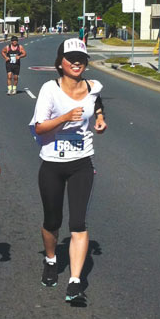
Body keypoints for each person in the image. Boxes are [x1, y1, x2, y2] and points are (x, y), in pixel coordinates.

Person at [29, 38, 106, 303]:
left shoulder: (92, 87)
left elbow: (96, 103)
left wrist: (99, 118)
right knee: (53, 221)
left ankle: (75, 282)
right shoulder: (49, 90)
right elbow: (39, 127)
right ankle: (51, 259)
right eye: (71, 58)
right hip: (52, 163)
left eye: (81, 59)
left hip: (81, 163)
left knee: (78, 223)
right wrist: (64, 118)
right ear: (60, 62)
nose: (76, 62)